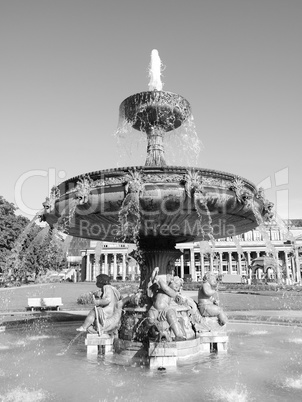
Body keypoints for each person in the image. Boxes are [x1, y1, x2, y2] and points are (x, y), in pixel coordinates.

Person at [147, 266, 186, 341]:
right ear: (170, 282)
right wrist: (154, 274)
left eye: (178, 287)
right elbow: (153, 282)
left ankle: (178, 334)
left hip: (165, 310)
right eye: (175, 284)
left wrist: (158, 278)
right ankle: (156, 333)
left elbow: (165, 288)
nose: (176, 287)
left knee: (171, 315)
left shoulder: (172, 292)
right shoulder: (161, 288)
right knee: (150, 319)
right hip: (154, 308)